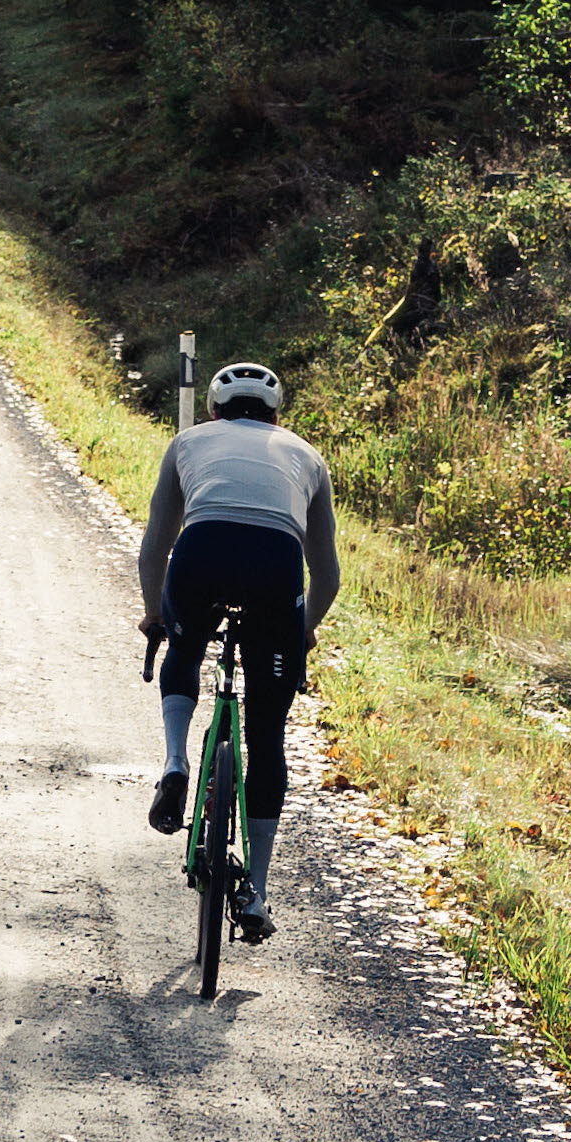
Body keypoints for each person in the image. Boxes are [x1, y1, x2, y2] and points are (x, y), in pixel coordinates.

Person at [136, 360, 339, 946]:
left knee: (186, 641)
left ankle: (176, 763)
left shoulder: (187, 442)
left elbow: (156, 545)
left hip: (201, 553)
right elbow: (326, 573)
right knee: (267, 736)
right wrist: (302, 628)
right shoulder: (306, 455)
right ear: (277, 415)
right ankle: (257, 892)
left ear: (214, 411)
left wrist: (158, 614)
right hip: (276, 568)